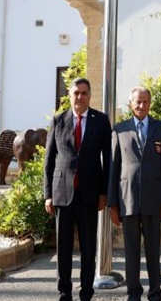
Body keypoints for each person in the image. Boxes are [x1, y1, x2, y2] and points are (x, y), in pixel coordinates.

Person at [43, 78, 112, 301]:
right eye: (76, 93)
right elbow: (49, 161)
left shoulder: (100, 121)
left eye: (84, 93)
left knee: (88, 248)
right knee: (63, 248)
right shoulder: (58, 120)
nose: (80, 97)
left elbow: (108, 160)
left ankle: (86, 293)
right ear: (70, 95)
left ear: (89, 96)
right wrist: (48, 194)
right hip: (62, 193)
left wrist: (104, 192)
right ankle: (64, 291)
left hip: (90, 195)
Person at [107, 86, 161, 301]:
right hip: (128, 200)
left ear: (150, 103)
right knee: (131, 252)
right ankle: (133, 292)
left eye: (145, 102)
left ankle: (155, 292)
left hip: (154, 201)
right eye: (137, 102)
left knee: (154, 252)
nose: (141, 106)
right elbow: (114, 169)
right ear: (130, 104)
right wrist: (113, 204)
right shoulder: (119, 130)